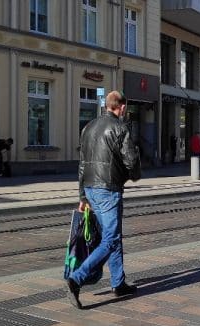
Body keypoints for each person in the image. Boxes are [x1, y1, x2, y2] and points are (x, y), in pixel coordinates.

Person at [66, 90, 140, 309]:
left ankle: (118, 283)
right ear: (122, 107)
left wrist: (82, 195)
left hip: (90, 188)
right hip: (108, 189)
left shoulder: (88, 127)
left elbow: (82, 164)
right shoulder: (120, 128)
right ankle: (76, 279)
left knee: (112, 235)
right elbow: (132, 162)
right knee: (111, 239)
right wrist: (133, 175)